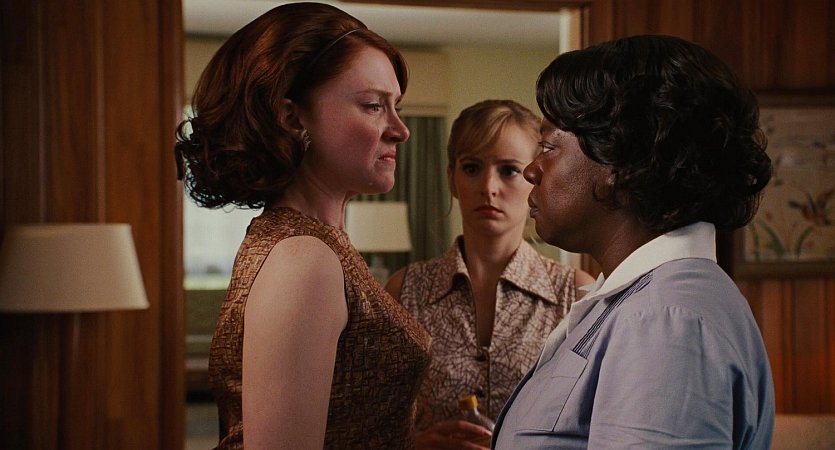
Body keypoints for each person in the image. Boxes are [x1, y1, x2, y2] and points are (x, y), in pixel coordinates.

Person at [492, 35, 776, 449]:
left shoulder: (665, 322)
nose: (531, 170)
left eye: (549, 146)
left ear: (620, 162)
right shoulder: (642, 303)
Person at [174, 3, 431, 449]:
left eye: (397, 106)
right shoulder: (303, 259)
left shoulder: (317, 242)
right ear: (292, 117)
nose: (400, 129)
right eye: (373, 106)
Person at [385, 99, 595, 449]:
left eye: (509, 170)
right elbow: (375, 423)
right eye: (471, 168)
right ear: (451, 180)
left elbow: (595, 426)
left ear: (536, 178)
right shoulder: (405, 290)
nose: (488, 187)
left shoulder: (574, 296)